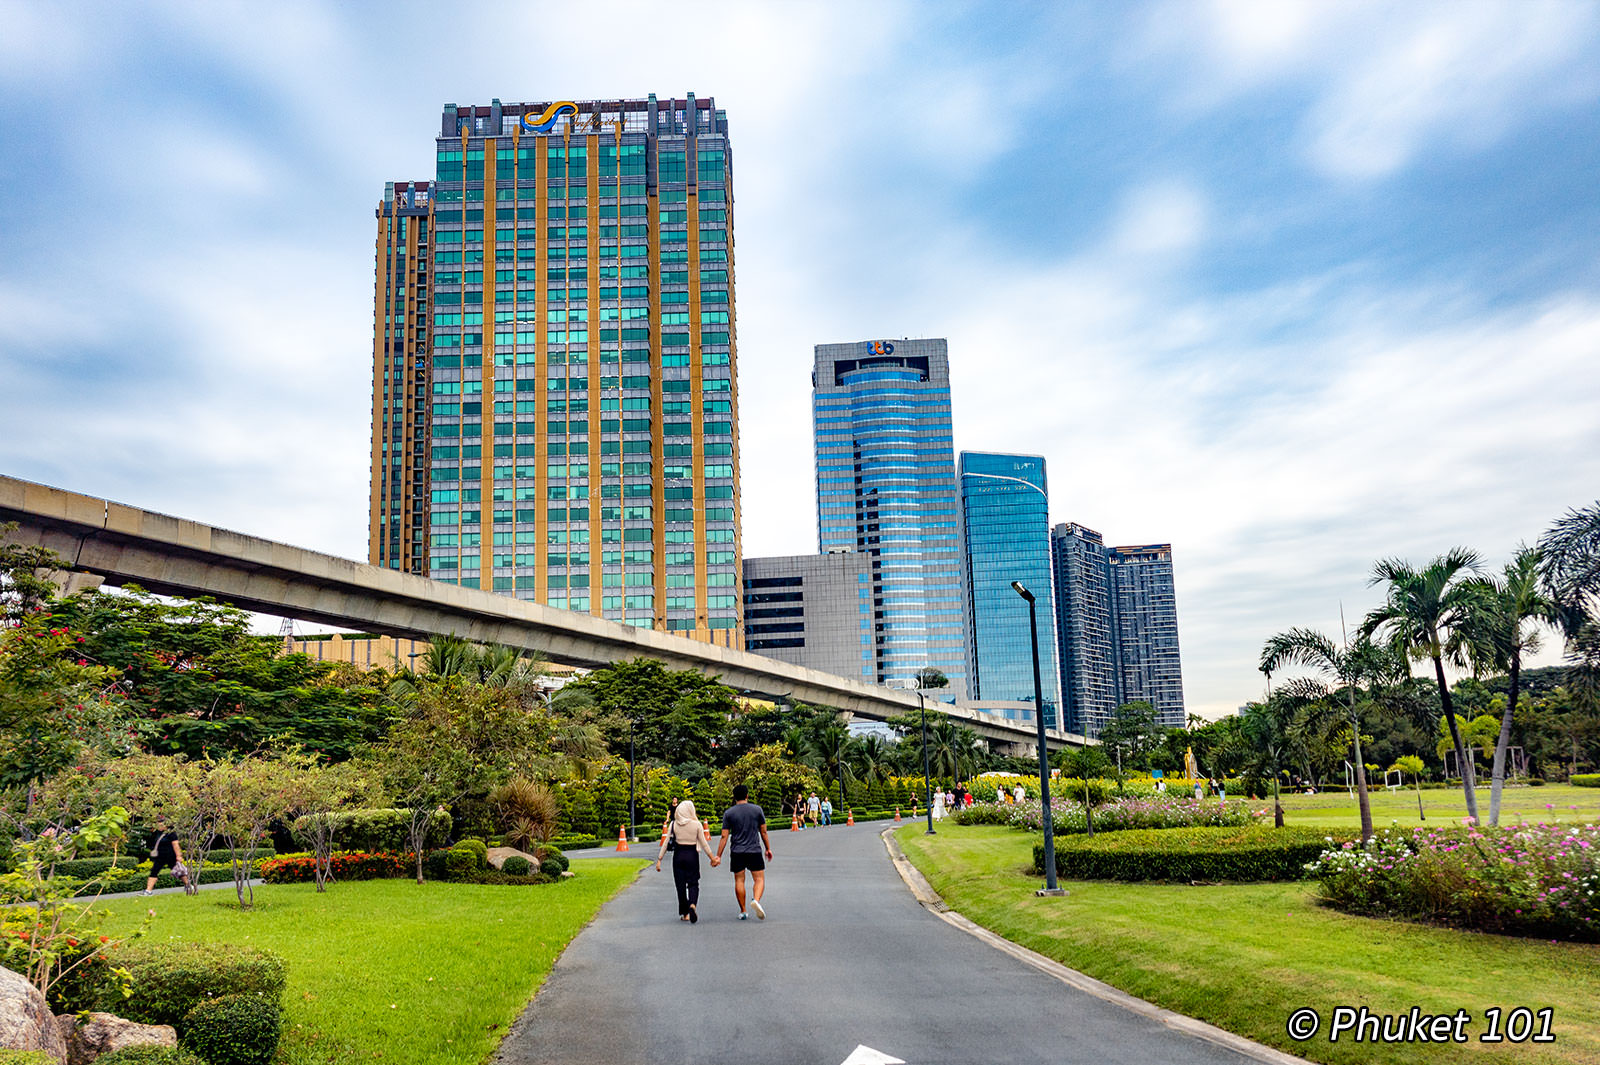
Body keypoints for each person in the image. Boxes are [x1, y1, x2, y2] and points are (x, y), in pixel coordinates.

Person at [655, 798, 718, 923]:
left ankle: (685, 914)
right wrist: (712, 858)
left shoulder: (674, 824)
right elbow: (704, 844)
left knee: (680, 886)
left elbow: (666, 842)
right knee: (693, 883)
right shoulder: (696, 824)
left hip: (678, 856)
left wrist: (659, 859)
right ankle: (692, 904)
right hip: (692, 855)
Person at [717, 784, 773, 920]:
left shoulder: (729, 813)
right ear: (747, 795)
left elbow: (724, 836)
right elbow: (763, 831)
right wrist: (768, 848)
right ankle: (756, 900)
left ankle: (743, 911)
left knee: (739, 880)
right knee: (759, 879)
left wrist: (718, 855)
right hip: (754, 850)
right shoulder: (757, 810)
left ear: (734, 797)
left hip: (737, 851)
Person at [143, 822, 190, 896]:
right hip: (160, 857)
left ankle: (188, 885)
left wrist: (178, 856)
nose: (159, 826)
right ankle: (148, 891)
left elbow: (175, 845)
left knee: (179, 872)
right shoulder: (157, 833)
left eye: (161, 824)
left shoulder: (171, 833)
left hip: (171, 856)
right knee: (154, 871)